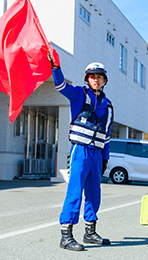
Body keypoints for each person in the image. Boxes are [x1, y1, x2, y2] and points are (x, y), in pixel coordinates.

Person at [49, 54, 113, 251]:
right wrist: (56, 68)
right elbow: (61, 86)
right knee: (75, 192)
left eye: (99, 76)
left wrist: (105, 159)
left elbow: (107, 135)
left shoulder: (108, 105)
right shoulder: (79, 94)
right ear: (87, 79)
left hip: (96, 155)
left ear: (104, 80)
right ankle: (66, 236)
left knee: (94, 193)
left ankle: (90, 232)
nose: (96, 79)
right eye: (92, 76)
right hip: (80, 151)